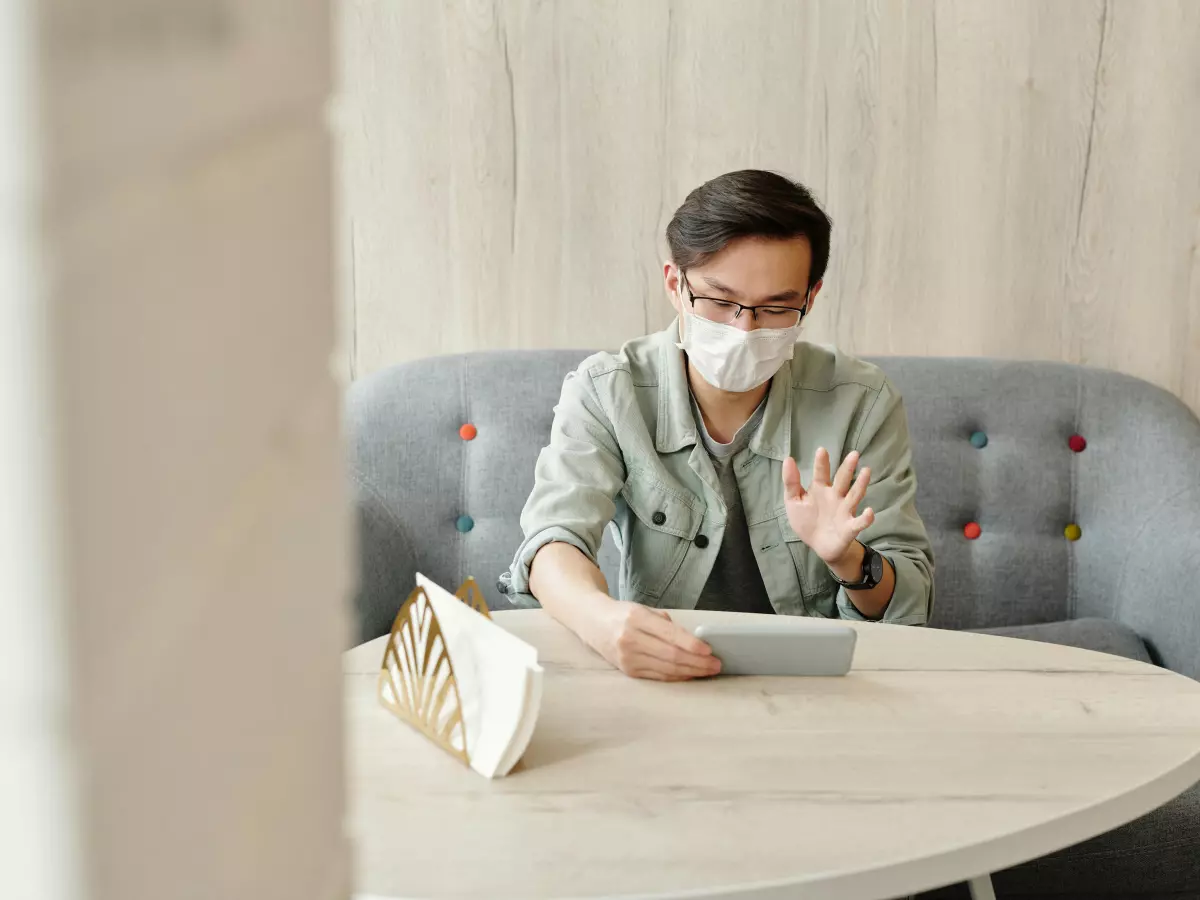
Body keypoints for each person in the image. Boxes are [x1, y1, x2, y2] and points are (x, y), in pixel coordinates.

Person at [500, 169, 934, 681]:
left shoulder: (861, 401)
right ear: (674, 284)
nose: (743, 328)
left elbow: (910, 605)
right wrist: (604, 622)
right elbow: (555, 541)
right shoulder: (606, 391)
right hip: (663, 672)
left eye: (776, 308)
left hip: (812, 684)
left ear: (810, 299)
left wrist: (852, 562)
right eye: (719, 301)